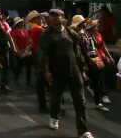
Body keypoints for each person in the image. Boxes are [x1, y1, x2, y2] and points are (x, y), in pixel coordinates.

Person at [38, 9, 92, 138]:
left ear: (63, 17)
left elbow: (78, 53)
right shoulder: (47, 34)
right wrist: (46, 70)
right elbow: (44, 54)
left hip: (74, 70)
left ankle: (83, 130)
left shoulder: (71, 33)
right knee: (56, 98)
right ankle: (54, 117)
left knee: (80, 101)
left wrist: (83, 70)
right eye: (52, 17)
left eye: (57, 16)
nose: (54, 19)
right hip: (57, 71)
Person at [26, 10, 49, 112]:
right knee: (42, 81)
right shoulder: (38, 29)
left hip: (37, 55)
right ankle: (43, 106)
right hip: (40, 56)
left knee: (41, 81)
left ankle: (43, 105)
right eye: (39, 18)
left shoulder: (34, 28)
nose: (41, 19)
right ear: (34, 19)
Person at [10, 17, 33, 86]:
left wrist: (29, 46)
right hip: (20, 51)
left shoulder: (24, 30)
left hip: (27, 50)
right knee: (20, 65)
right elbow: (14, 41)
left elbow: (28, 39)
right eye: (20, 22)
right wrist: (16, 50)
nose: (22, 23)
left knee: (28, 66)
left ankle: (28, 81)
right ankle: (16, 75)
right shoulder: (15, 31)